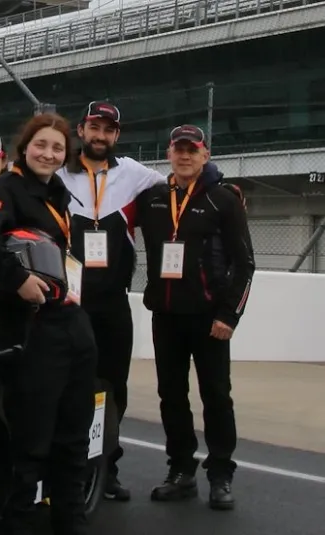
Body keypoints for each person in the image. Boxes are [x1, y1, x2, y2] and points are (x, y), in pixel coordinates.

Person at [0, 113, 97, 535]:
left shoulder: (60, 193)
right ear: (25, 147)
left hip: (73, 322)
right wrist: (18, 279)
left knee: (74, 440)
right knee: (33, 443)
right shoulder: (6, 188)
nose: (49, 153)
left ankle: (70, 523)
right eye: (42, 144)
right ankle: (18, 522)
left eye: (58, 147)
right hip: (32, 329)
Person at [135, 124, 255, 511]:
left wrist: (229, 316)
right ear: (168, 153)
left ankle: (220, 475)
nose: (185, 156)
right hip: (166, 316)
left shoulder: (224, 199)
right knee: (171, 396)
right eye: (178, 149)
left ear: (205, 156)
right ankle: (181, 471)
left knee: (216, 397)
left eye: (193, 150)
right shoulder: (152, 198)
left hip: (209, 319)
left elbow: (245, 264)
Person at [58, 101, 166, 501]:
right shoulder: (58, 172)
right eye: (94, 127)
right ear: (81, 130)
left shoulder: (133, 173)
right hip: (68, 301)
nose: (100, 136)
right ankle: (67, 467)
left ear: (116, 136)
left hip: (113, 303)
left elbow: (178, 182)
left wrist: (220, 181)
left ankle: (107, 468)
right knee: (69, 384)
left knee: (113, 386)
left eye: (108, 130)